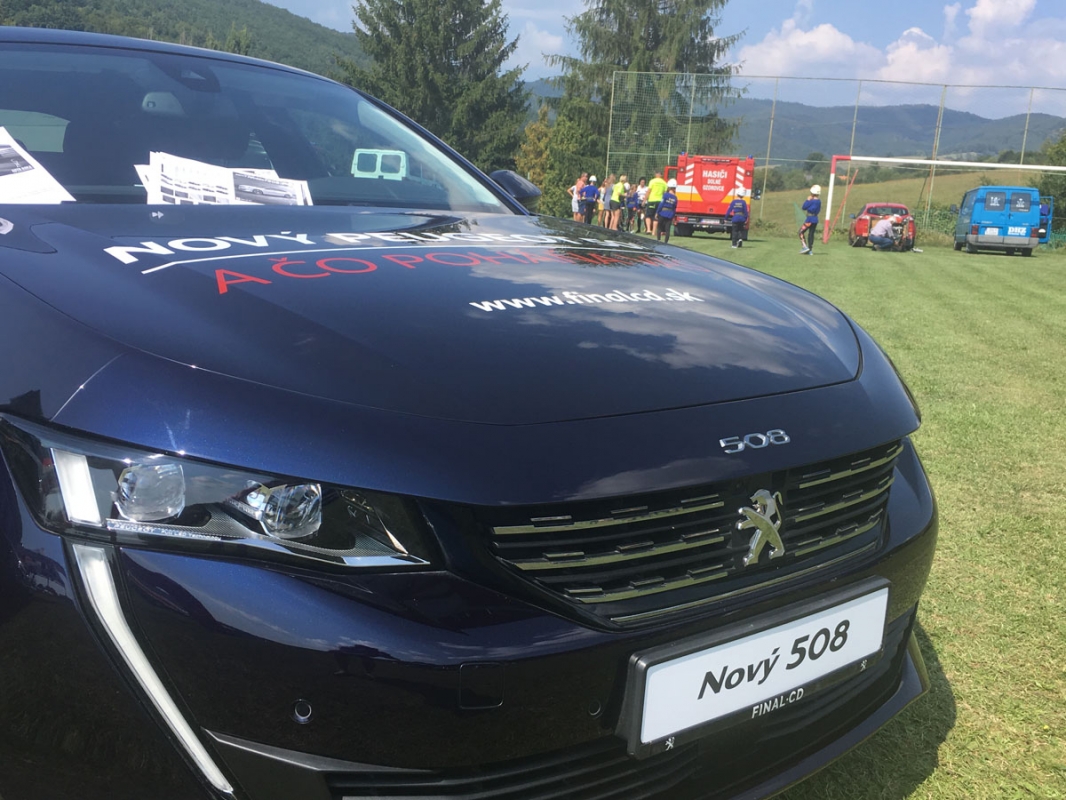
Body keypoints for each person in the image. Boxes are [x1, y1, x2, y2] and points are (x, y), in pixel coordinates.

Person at [799, 184, 821, 255]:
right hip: (815, 219)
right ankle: (810, 250)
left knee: (801, 232)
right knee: (811, 234)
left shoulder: (811, 201)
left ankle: (805, 247)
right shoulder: (819, 201)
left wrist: (807, 200)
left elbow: (804, 207)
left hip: (809, 219)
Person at [656, 178, 679, 244]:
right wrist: (673, 216)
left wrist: (657, 212)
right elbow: (674, 208)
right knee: (667, 229)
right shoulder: (675, 198)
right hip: (670, 214)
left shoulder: (665, 195)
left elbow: (661, 204)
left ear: (669, 187)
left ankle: (658, 240)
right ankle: (666, 242)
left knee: (659, 227)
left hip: (662, 213)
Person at [646, 171, 668, 237]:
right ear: (661, 175)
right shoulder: (664, 183)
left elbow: (649, 191)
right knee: (656, 216)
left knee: (648, 215)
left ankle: (648, 229)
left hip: (652, 200)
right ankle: (654, 232)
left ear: (655, 174)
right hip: (659, 201)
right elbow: (665, 193)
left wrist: (644, 200)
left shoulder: (652, 181)